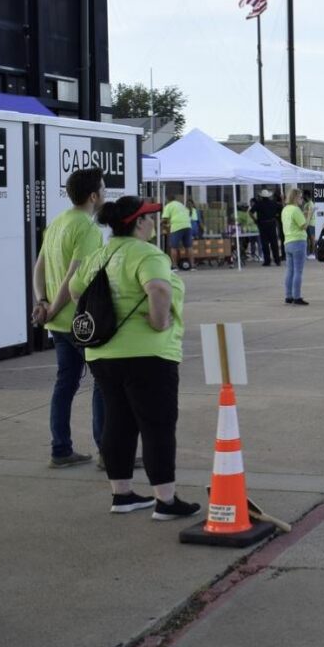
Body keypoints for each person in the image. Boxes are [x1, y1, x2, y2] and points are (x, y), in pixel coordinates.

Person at [69, 196, 200, 521]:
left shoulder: (99, 254)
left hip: (103, 353)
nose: (154, 223)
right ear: (138, 222)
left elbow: (74, 291)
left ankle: (122, 494)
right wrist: (158, 321)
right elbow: (158, 288)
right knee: (157, 425)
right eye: (150, 218)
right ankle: (165, 500)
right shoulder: (147, 253)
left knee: (118, 421)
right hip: (148, 354)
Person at [31, 167, 106, 469]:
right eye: (103, 188)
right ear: (93, 196)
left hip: (57, 324)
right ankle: (108, 450)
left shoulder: (58, 222)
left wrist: (43, 302)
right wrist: (56, 306)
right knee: (103, 383)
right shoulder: (87, 229)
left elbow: (39, 266)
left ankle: (60, 449)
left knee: (65, 385)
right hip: (80, 321)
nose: (106, 193)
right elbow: (75, 277)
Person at [281, 188, 309, 305]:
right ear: (296, 197)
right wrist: (309, 215)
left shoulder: (285, 209)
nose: (302, 199)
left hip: (288, 241)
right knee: (298, 271)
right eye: (301, 197)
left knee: (290, 270)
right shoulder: (296, 209)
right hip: (298, 241)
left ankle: (289, 295)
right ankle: (297, 296)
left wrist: (303, 215)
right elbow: (303, 226)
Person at [162, 192, 193, 271]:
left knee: (173, 247)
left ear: (167, 200)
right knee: (188, 246)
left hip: (177, 227)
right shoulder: (181, 204)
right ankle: (192, 266)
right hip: (188, 225)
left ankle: (175, 266)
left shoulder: (169, 206)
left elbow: (165, 218)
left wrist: (159, 223)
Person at [250, 189, 282, 267]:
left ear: (261, 197)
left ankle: (267, 261)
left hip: (262, 224)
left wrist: (255, 220)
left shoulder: (258, 204)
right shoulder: (273, 203)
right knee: (274, 243)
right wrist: (276, 216)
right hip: (272, 224)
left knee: (264, 243)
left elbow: (250, 212)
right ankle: (277, 260)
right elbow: (281, 208)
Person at [303, 192, 316, 259]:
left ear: (307, 196)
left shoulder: (310, 204)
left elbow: (310, 214)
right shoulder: (307, 204)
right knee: (308, 239)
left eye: (304, 196)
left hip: (310, 223)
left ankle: (313, 253)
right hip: (308, 223)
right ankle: (309, 252)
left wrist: (306, 223)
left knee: (312, 238)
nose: (303, 198)